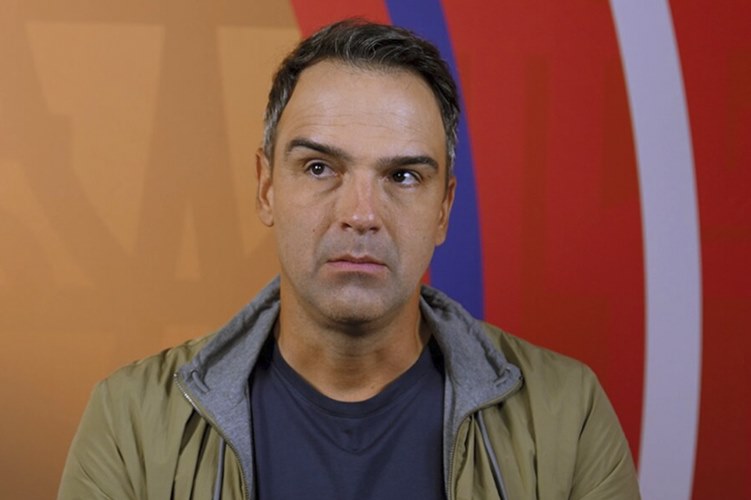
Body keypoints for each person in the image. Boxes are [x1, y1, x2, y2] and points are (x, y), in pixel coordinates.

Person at [58, 19, 640, 500]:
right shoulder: (130, 423)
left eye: (403, 176)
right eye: (319, 168)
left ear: (443, 209)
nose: (361, 214)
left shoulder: (568, 415)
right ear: (266, 188)